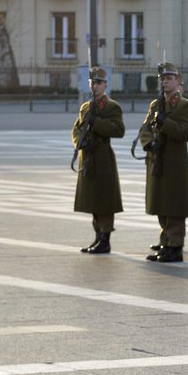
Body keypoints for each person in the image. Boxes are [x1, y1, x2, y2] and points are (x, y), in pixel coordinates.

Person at [138, 62, 188, 263]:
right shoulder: (156, 105)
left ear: (178, 81)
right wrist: (149, 144)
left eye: (169, 78)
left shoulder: (184, 105)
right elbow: (144, 129)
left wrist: (165, 123)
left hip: (174, 162)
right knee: (161, 204)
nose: (165, 82)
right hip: (157, 160)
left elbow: (187, 132)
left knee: (174, 206)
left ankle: (176, 246)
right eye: (163, 79)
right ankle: (165, 243)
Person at [71, 66, 124, 254]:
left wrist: (96, 122)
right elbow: (76, 129)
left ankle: (105, 239)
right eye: (93, 82)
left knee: (104, 201)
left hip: (103, 158)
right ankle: (97, 236)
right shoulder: (86, 107)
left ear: (105, 85)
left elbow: (118, 130)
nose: (95, 86)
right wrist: (79, 143)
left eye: (99, 83)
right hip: (88, 157)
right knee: (92, 199)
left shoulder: (112, 107)